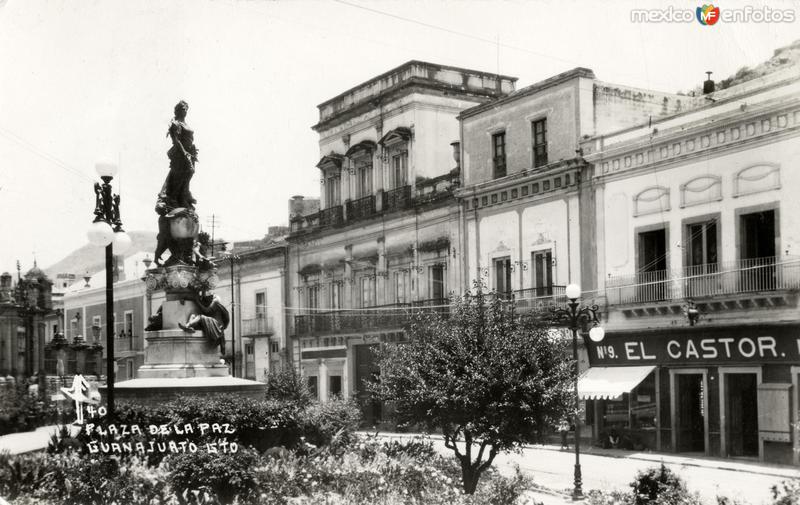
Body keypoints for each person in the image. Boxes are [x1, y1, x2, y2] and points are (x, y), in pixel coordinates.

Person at [163, 100, 198, 211]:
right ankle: (173, 198)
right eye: (183, 109)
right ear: (177, 110)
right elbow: (176, 141)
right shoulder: (176, 123)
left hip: (190, 152)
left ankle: (183, 197)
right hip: (180, 153)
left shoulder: (185, 124)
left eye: (186, 109)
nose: (185, 111)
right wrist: (184, 154)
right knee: (181, 175)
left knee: (189, 173)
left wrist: (190, 153)